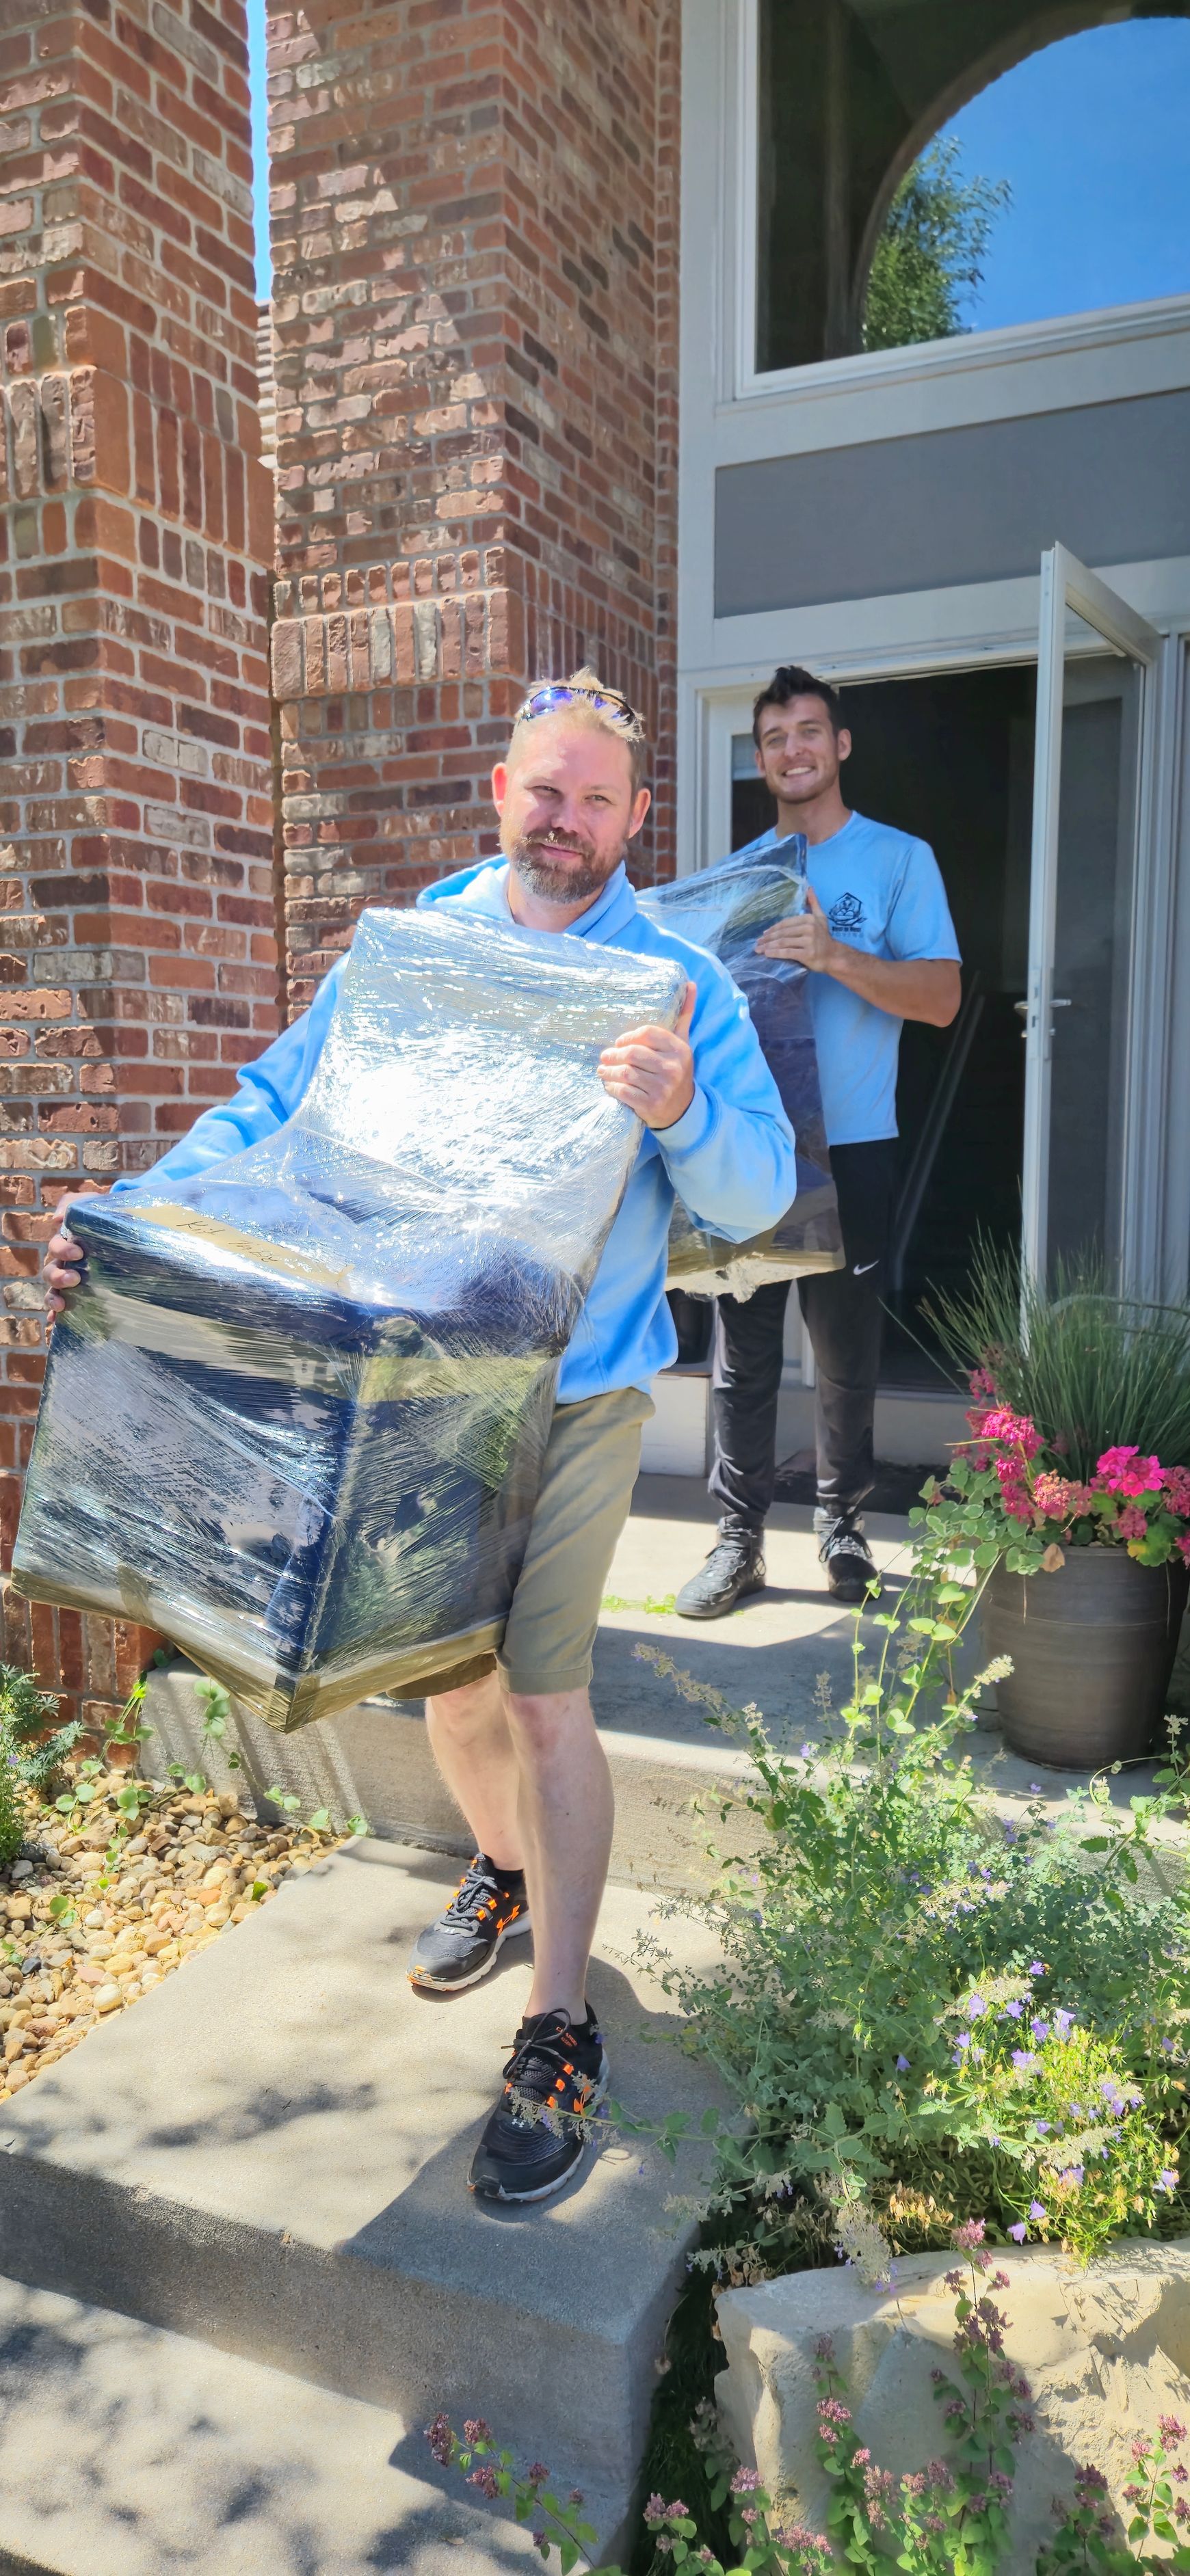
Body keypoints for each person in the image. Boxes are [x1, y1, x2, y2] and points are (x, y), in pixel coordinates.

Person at [44, 671, 797, 2207]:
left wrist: (679, 1117)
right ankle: (505, 1869)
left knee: (541, 1702)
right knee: (443, 1685)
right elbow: (279, 1109)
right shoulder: (416, 951)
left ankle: (560, 2019)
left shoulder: (672, 986)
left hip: (577, 1392)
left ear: (637, 819)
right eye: (545, 789)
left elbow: (760, 1196)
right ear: (499, 792)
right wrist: (143, 1219)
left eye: (597, 798)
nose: (565, 820)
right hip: (417, 1387)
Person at [676, 665, 961, 1619]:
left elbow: (943, 1000)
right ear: (760, 758)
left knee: (845, 1353)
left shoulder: (898, 860)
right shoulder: (744, 878)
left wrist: (835, 955)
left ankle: (842, 1531)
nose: (793, 749)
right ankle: (737, 1541)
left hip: (857, 1148)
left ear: (839, 746)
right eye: (774, 738)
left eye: (809, 731)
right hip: (756, 1150)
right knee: (743, 1352)